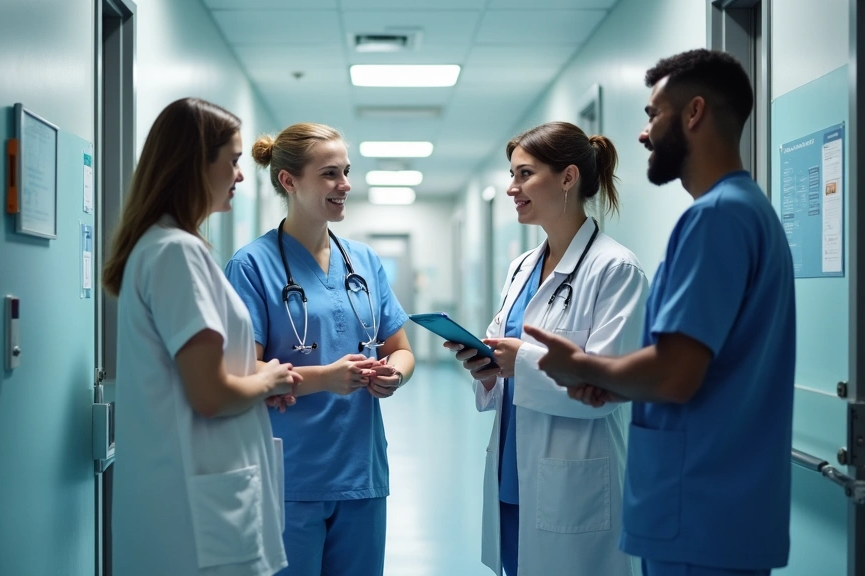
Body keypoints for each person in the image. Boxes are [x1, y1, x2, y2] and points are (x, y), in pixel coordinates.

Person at [525, 50, 795, 576]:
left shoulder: (714, 220)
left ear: (693, 113)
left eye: (653, 115)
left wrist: (582, 368)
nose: (644, 135)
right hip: (728, 507)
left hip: (695, 507)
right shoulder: (751, 211)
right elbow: (711, 365)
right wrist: (618, 382)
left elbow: (675, 375)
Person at [103, 97, 300, 576]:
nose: (239, 175)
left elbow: (201, 374)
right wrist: (268, 381)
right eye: (232, 161)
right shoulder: (176, 254)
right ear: (196, 164)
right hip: (192, 517)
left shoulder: (160, 247)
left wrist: (257, 378)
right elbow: (210, 394)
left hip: (184, 498)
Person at [446, 121, 646, 576]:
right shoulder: (522, 266)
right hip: (513, 472)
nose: (511, 187)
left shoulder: (615, 269)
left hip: (574, 478)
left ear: (568, 178)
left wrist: (523, 364)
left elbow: (609, 385)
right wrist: (486, 368)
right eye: (512, 174)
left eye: (524, 174)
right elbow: (504, 354)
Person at [225, 122, 415, 576]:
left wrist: (397, 373)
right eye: (330, 173)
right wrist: (325, 379)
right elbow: (245, 373)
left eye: (346, 172)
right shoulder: (251, 266)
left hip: (361, 471)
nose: (345, 184)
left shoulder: (364, 262)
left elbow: (400, 347)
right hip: (291, 474)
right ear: (289, 181)